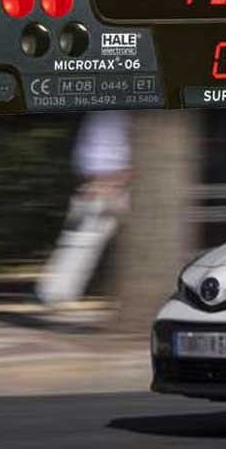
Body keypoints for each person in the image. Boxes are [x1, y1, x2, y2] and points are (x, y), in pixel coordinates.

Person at [36, 111, 132, 307]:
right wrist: (102, 181)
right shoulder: (111, 113)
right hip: (109, 184)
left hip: (112, 182)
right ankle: (55, 293)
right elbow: (99, 152)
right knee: (84, 238)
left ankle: (56, 292)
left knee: (84, 239)